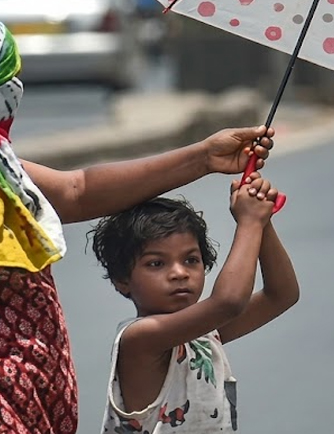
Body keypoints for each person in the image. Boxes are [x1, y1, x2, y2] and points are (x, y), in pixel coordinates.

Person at [0, 10, 275, 434]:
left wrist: (204, 157)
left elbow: (78, 190)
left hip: (12, 400)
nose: (14, 89)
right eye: (5, 78)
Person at [89, 176, 298, 433]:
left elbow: (281, 295)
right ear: (122, 280)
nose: (179, 273)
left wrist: (263, 222)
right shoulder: (139, 340)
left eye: (190, 260)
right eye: (156, 263)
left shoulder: (203, 334)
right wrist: (250, 222)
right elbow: (228, 302)